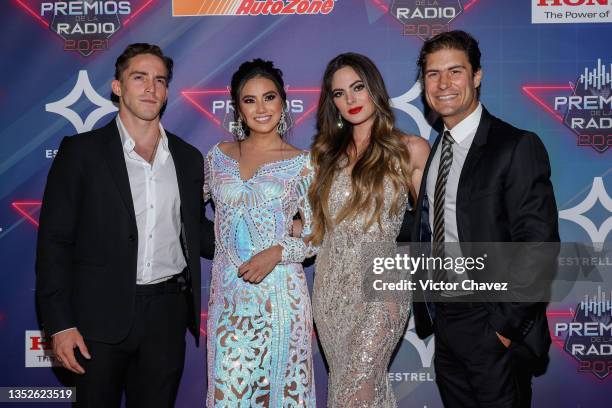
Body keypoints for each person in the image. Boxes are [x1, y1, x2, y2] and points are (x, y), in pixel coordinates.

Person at [35, 43, 215, 407]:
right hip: (96, 318)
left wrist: (272, 230)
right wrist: (60, 324)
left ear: (166, 92)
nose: (150, 87)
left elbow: (199, 231)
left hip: (166, 315)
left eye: (159, 80)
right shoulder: (81, 153)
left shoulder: (188, 158)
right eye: (139, 77)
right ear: (118, 87)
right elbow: (54, 243)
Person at [408, 30, 559, 407]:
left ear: (477, 76)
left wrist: (504, 329)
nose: (443, 84)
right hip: (446, 320)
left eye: (455, 71)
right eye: (432, 74)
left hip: (491, 321)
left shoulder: (515, 146)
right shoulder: (435, 150)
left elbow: (538, 245)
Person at [309, 53, 429, 407]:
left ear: (374, 88)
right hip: (330, 288)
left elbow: (433, 226)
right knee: (354, 390)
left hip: (381, 282)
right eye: (339, 93)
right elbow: (315, 227)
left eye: (358, 88)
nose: (351, 100)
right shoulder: (324, 156)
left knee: (357, 387)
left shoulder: (410, 150)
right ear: (331, 102)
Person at [204, 59, 316, 407]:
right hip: (228, 300)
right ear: (237, 107)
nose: (261, 108)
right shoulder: (217, 156)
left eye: (269, 97)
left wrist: (277, 252)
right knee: (227, 396)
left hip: (281, 299)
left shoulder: (304, 162)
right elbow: (184, 211)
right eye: (250, 100)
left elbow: (317, 236)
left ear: (283, 102)